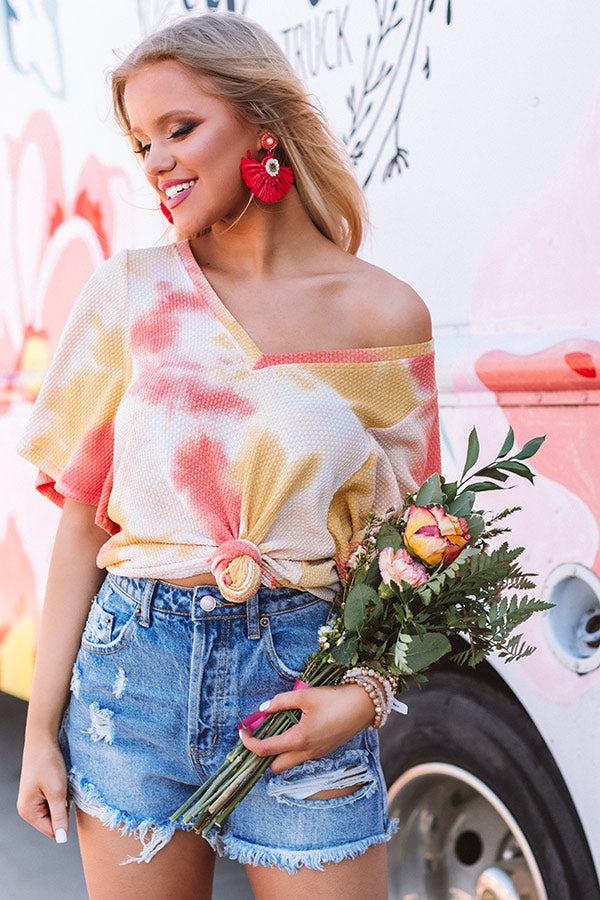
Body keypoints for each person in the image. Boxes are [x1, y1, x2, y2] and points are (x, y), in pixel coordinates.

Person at [16, 12, 439, 900]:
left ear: (263, 122)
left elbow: (415, 556)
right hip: (134, 678)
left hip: (301, 678)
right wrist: (39, 734)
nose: (157, 162)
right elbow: (83, 524)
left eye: (180, 129)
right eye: (141, 142)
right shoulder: (131, 291)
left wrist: (360, 700)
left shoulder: (383, 314)